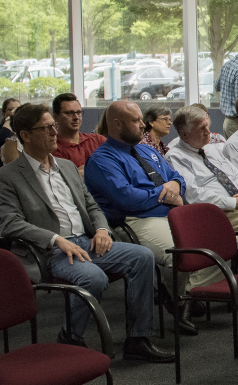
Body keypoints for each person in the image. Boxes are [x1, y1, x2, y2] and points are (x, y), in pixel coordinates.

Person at [0, 103, 173, 362]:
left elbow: (91, 204)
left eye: (53, 127)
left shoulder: (66, 167)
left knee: (142, 256)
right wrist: (56, 239)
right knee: (94, 278)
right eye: (46, 128)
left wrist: (101, 229)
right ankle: (70, 337)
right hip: (50, 249)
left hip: (86, 242)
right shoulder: (7, 176)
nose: (55, 132)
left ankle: (138, 339)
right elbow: (10, 223)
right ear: (25, 135)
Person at [84, 101, 213, 336]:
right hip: (134, 220)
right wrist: (165, 194)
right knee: (183, 255)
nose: (143, 125)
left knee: (221, 245)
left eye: (141, 119)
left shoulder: (148, 150)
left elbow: (178, 179)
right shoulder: (102, 160)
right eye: (136, 121)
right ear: (116, 124)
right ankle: (181, 302)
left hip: (169, 213)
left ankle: (182, 293)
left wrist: (173, 185)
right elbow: (128, 200)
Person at [165, 104, 238, 238]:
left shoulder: (212, 148)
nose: (208, 132)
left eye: (207, 126)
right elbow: (193, 195)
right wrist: (234, 203)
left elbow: (236, 174)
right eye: (201, 128)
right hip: (216, 214)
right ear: (184, 134)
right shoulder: (175, 157)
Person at [52, 93, 107, 173]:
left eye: (78, 113)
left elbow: (115, 166)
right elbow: (69, 178)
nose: (76, 117)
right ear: (56, 117)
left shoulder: (98, 140)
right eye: (69, 113)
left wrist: (82, 171)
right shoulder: (54, 147)